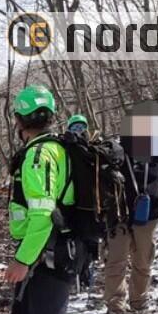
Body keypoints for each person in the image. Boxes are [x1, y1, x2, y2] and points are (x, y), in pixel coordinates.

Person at [3, 84, 82, 314]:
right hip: (44, 250)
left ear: (20, 119)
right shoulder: (50, 148)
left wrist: (23, 260)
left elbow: (42, 214)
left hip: (49, 253)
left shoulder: (40, 155)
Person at [103, 144, 158, 314]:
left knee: (143, 261)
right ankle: (115, 307)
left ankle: (139, 303)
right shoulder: (117, 150)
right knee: (116, 261)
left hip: (149, 214)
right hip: (119, 215)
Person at [65, 114, 97, 290]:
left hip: (91, 202)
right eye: (75, 127)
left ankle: (87, 272)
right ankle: (75, 273)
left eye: (81, 127)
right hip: (71, 202)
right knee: (75, 239)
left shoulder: (93, 147)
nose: (78, 131)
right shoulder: (65, 147)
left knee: (90, 241)